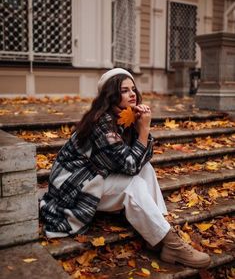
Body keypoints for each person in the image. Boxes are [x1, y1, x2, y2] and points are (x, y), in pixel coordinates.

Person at [40, 68, 211, 268]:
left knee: (146, 169)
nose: (132, 94)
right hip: (74, 189)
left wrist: (140, 130)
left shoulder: (124, 117)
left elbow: (141, 160)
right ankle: (172, 244)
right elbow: (130, 166)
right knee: (134, 185)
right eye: (124, 90)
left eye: (133, 89)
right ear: (111, 95)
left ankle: (159, 230)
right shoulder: (101, 124)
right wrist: (144, 131)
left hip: (96, 178)